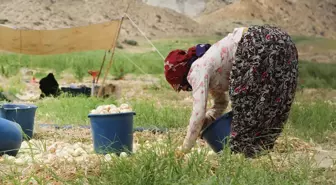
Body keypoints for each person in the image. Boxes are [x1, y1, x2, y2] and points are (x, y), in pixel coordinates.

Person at [164, 25, 299, 158]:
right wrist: (209, 120)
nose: (184, 89)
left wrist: (185, 149)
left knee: (246, 108)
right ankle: (259, 151)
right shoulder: (208, 64)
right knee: (272, 101)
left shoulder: (197, 69)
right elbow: (221, 102)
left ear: (180, 75)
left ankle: (245, 154)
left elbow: (198, 112)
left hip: (255, 44)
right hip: (282, 42)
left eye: (180, 86)